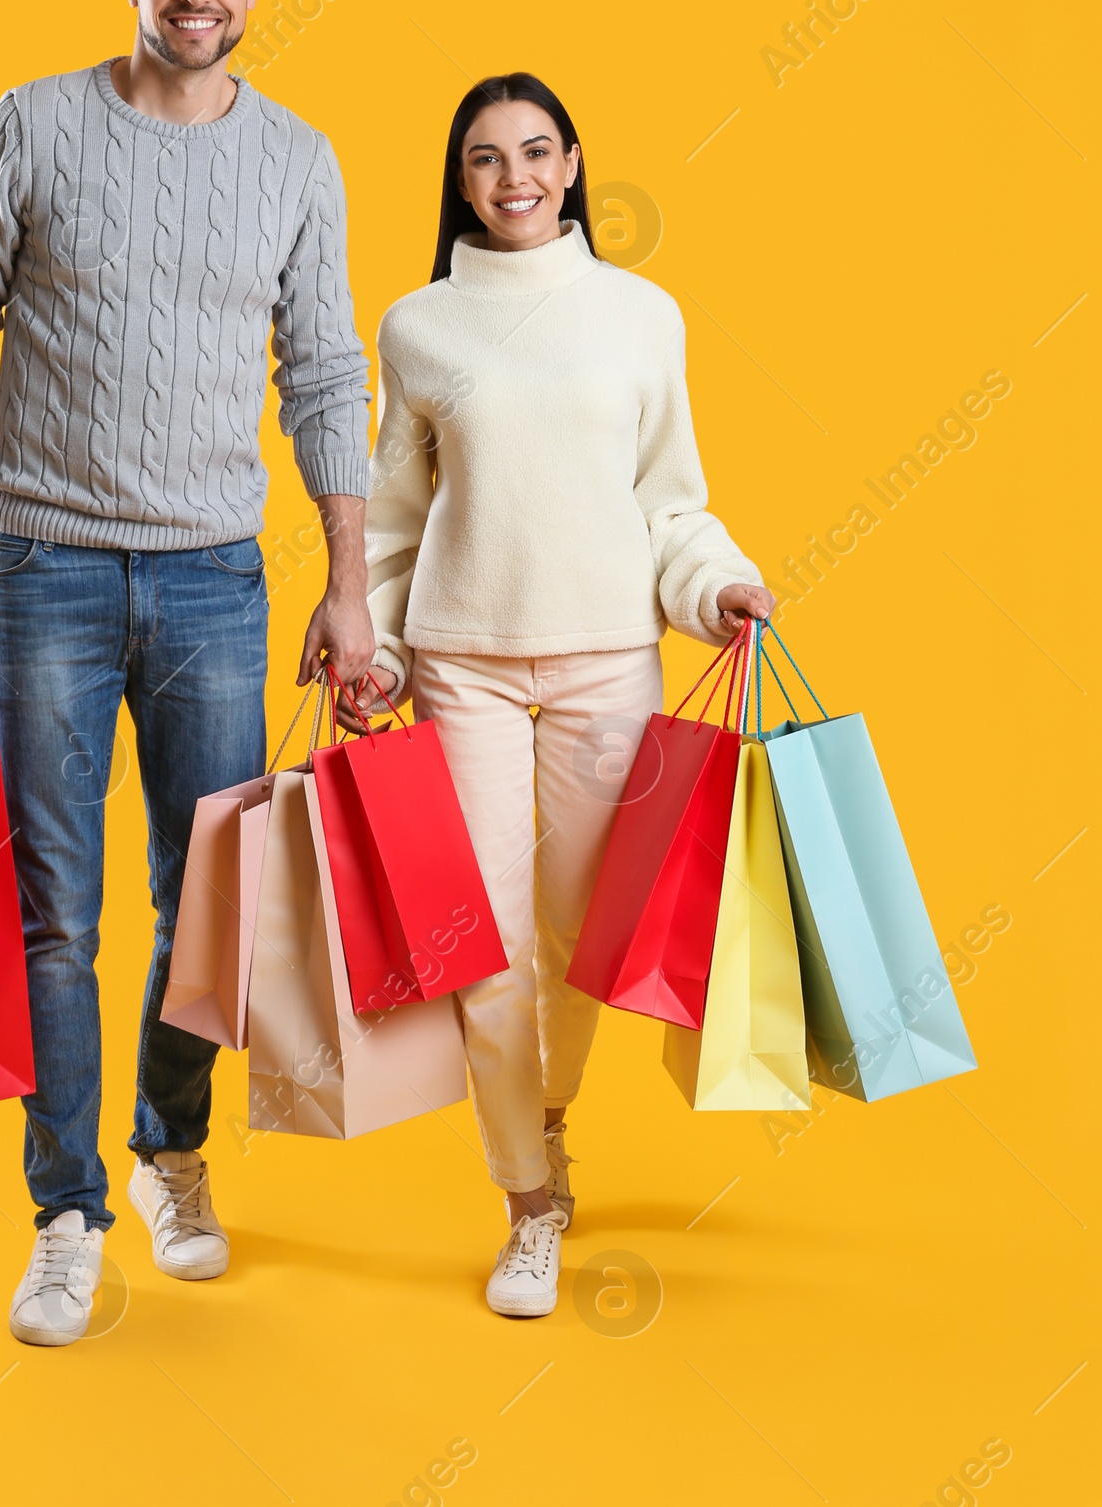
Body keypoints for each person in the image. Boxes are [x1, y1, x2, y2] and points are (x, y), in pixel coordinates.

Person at [0, 0, 375, 1345]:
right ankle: (65, 1211)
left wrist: (347, 584)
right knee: (49, 908)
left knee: (198, 898)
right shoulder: (27, 126)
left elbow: (326, 372)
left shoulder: (296, 160)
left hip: (216, 569)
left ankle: (170, 1149)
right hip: (43, 567)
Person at [340, 73, 773, 1319]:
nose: (514, 177)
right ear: (460, 180)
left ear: (575, 162)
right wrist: (378, 647)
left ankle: (546, 1113)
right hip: (462, 665)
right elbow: (395, 521)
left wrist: (719, 584)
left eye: (536, 152)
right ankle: (527, 1199)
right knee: (478, 942)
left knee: (586, 946)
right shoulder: (418, 324)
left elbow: (668, 500)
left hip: (605, 662)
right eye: (486, 158)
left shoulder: (642, 315)